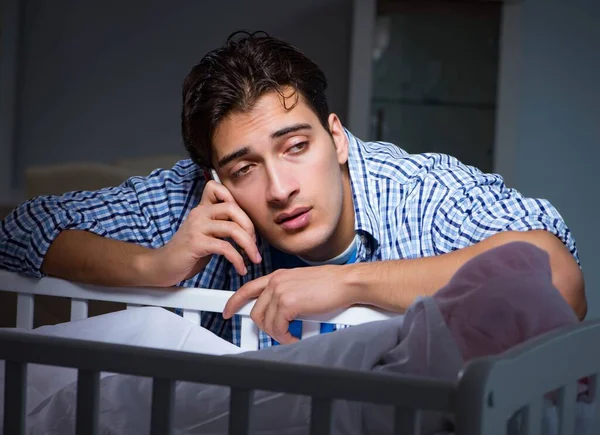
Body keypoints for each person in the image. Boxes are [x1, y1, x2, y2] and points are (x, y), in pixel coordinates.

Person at [0, 31, 586, 348]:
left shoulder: (416, 191)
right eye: (244, 167)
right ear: (217, 178)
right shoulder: (195, 200)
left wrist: (347, 281)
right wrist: (157, 266)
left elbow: (557, 275)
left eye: (296, 146)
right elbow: (17, 231)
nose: (280, 188)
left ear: (337, 138)